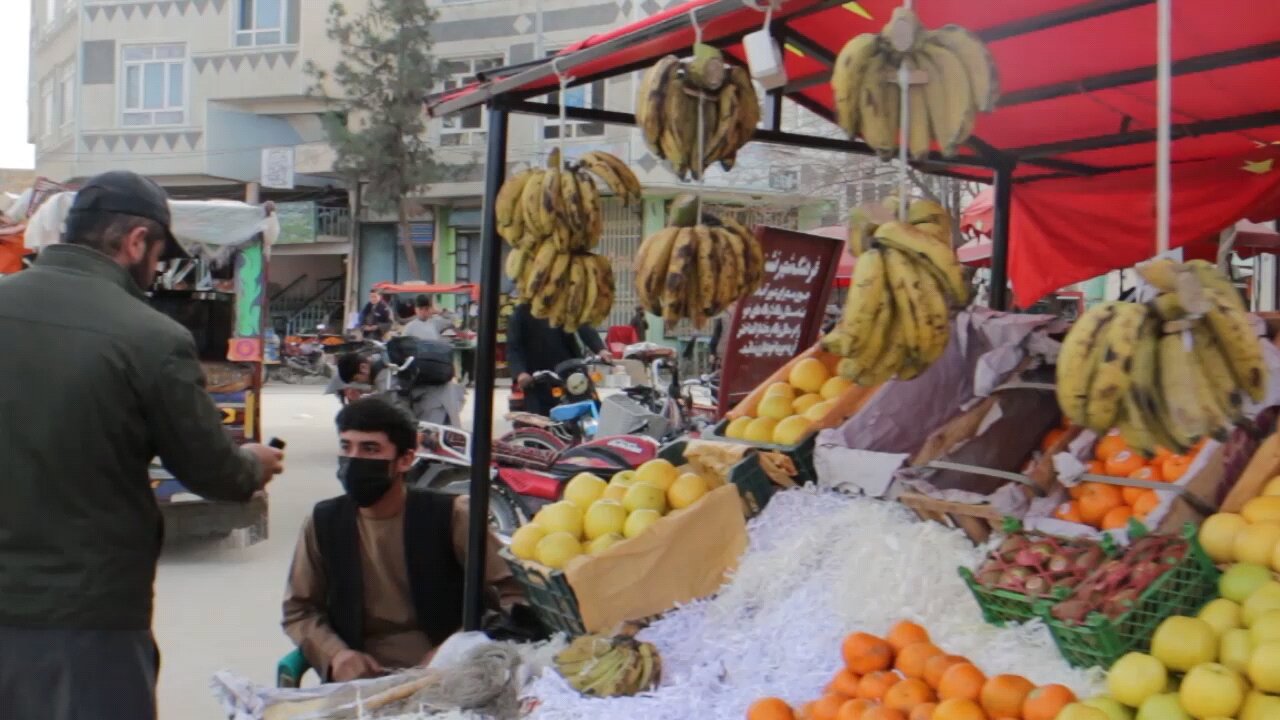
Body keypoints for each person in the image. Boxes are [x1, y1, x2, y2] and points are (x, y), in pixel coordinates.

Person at [0, 170, 285, 719]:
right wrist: (251, 464)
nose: (157, 271)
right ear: (134, 241)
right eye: (158, 256)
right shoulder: (149, 336)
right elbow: (213, 473)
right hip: (84, 622)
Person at [283, 398, 523, 682]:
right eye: (346, 447)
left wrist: (456, 649)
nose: (354, 460)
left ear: (405, 459)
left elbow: (514, 597)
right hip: (359, 684)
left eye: (370, 449)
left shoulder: (451, 515)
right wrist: (335, 654)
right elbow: (300, 609)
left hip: (450, 678)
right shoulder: (323, 522)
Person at [506, 301, 611, 416]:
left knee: (590, 406)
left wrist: (600, 350)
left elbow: (582, 325)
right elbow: (513, 347)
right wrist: (520, 373)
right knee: (544, 420)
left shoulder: (564, 304)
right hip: (538, 376)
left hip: (569, 370)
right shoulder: (521, 312)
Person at [333, 348, 464, 427]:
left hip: (437, 402)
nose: (360, 383)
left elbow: (402, 412)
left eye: (357, 379)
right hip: (440, 396)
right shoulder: (381, 360)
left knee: (440, 449)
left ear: (363, 367)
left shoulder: (385, 379)